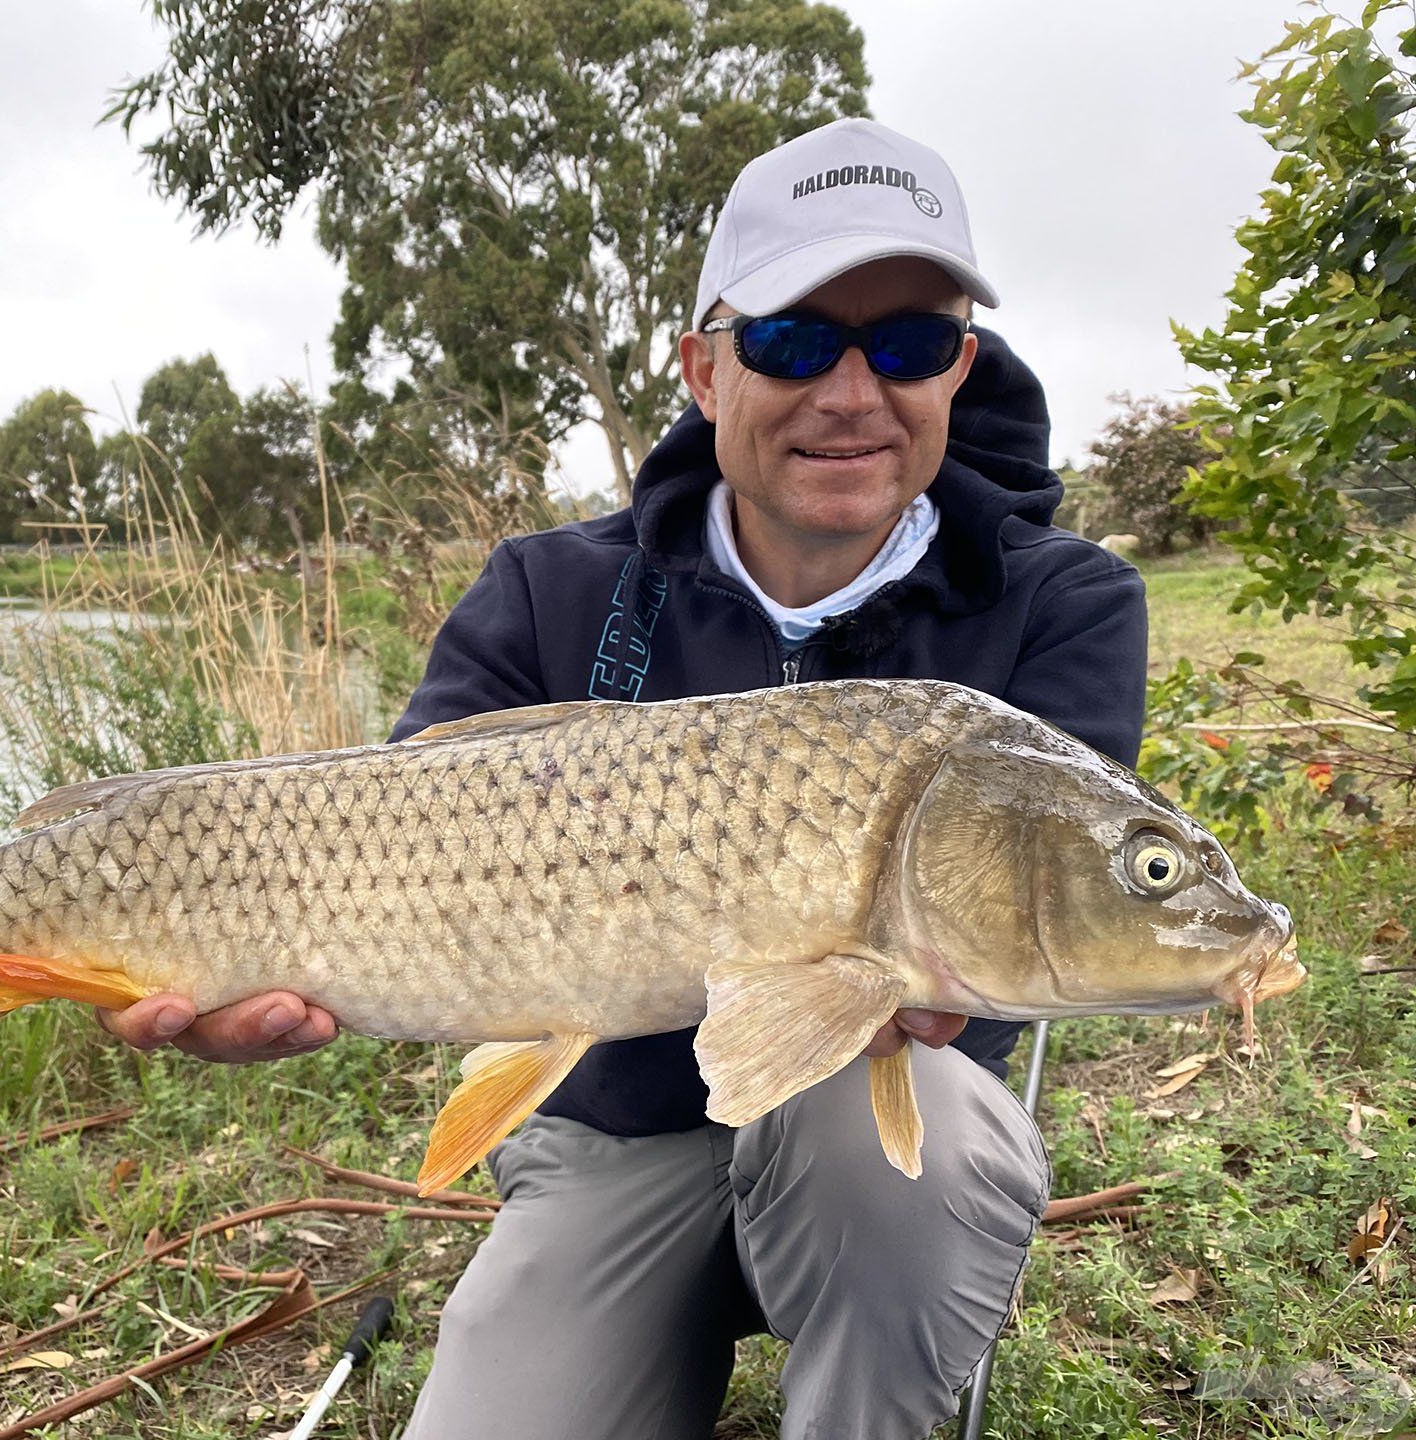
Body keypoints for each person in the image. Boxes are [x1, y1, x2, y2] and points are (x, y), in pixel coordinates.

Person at [98, 117, 1149, 1438]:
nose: (848, 391)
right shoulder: (547, 591)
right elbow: (377, 863)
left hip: (876, 1142)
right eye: (790, 340)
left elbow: (1062, 912)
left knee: (905, 1147)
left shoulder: (1067, 603)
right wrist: (213, 982)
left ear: (960, 371)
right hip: (607, 1144)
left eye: (906, 343)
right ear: (704, 372)